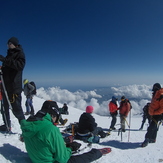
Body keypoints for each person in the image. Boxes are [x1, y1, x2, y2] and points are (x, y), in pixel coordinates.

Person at [20, 100, 111, 163]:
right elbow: (62, 159)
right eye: (56, 117)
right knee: (78, 159)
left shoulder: (28, 124)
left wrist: (64, 142)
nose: (56, 121)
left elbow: (42, 140)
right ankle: (97, 153)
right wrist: (70, 148)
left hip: (36, 159)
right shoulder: (51, 129)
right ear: (53, 115)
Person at [0, 37, 25, 132]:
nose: (8, 45)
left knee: (17, 110)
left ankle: (26, 130)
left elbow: (20, 66)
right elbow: (8, 70)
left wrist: (4, 60)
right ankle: (7, 125)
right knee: (4, 109)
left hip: (14, 88)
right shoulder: (9, 55)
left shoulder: (20, 54)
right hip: (6, 87)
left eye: (10, 43)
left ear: (15, 44)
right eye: (7, 43)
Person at [141, 83, 163, 147]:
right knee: (154, 126)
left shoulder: (161, 95)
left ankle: (147, 139)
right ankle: (153, 139)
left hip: (158, 114)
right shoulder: (155, 94)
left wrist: (155, 112)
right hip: (153, 114)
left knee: (151, 127)